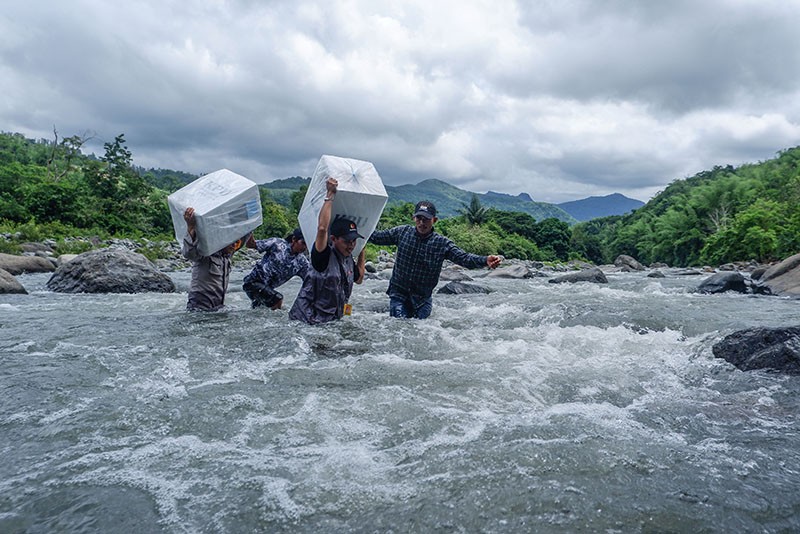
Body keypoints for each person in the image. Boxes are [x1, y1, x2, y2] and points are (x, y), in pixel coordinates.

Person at [369, 200, 502, 319]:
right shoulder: (401, 232)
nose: (422, 223)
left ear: (435, 220)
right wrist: (356, 227)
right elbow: (376, 237)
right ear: (413, 218)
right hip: (399, 294)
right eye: (419, 218)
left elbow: (464, 258)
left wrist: (485, 260)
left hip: (422, 299)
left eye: (426, 219)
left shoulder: (442, 243)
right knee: (398, 326)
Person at [289, 177, 366, 324]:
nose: (351, 245)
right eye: (346, 241)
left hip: (330, 321)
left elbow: (359, 279)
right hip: (306, 321)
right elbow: (322, 228)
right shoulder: (322, 256)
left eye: (354, 241)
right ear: (334, 239)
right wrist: (330, 195)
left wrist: (362, 250)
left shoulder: (348, 258)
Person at [182, 206, 253, 311]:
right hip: (200, 302)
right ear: (222, 241)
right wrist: (191, 227)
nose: (234, 246)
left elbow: (245, 235)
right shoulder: (206, 253)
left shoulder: (227, 256)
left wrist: (249, 221)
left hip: (218, 302)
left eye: (236, 244)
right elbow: (189, 253)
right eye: (231, 243)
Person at [242, 228, 310, 309]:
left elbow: (310, 281)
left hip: (267, 289)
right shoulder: (277, 244)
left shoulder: (302, 262)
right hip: (252, 283)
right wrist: (249, 229)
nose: (305, 247)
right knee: (277, 299)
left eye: (307, 244)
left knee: (259, 310)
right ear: (294, 239)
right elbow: (250, 245)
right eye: (303, 243)